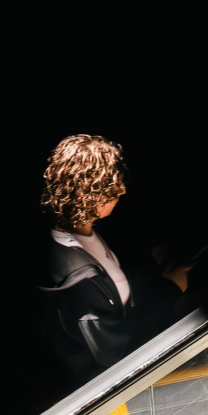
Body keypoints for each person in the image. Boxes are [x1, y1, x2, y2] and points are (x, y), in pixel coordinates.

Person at [38, 134, 194, 384]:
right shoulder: (77, 281)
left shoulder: (82, 233)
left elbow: (115, 284)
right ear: (91, 195)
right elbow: (117, 354)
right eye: (113, 188)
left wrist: (157, 271)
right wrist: (169, 290)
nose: (123, 190)